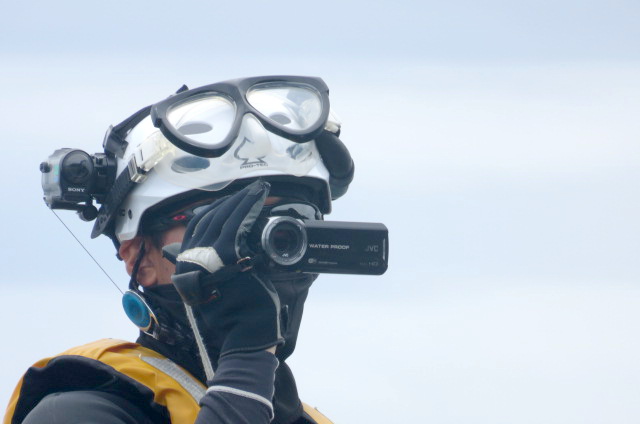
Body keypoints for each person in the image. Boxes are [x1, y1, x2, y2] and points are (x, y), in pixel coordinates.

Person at [4, 76, 355, 424]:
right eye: (218, 225)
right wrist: (245, 368)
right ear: (138, 258)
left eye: (288, 222)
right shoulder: (75, 413)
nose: (254, 254)